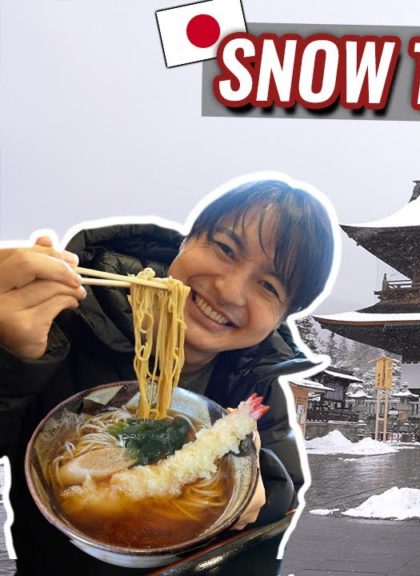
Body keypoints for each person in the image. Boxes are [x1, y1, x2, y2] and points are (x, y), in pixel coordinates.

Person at [0, 178, 337, 574]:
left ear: (282, 318)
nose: (228, 291)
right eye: (226, 249)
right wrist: (9, 357)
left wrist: (260, 498)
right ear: (185, 242)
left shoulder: (255, 381)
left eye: (268, 285)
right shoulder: (57, 329)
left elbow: (278, 508)